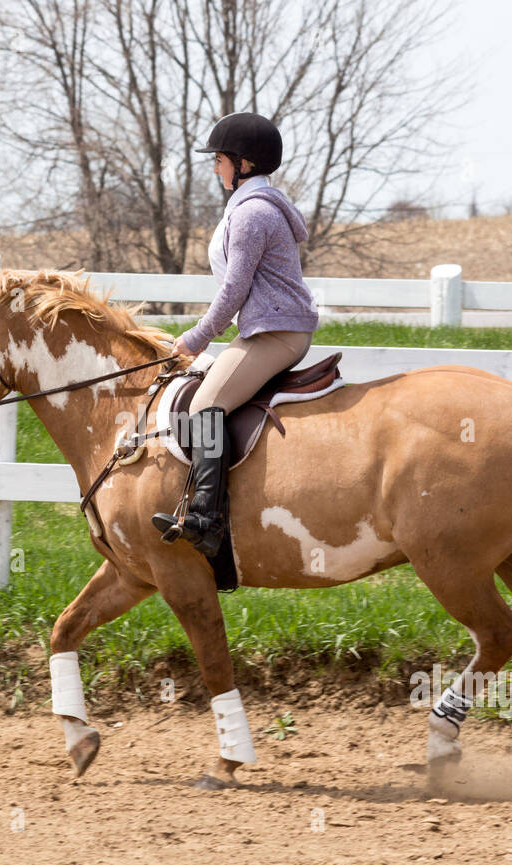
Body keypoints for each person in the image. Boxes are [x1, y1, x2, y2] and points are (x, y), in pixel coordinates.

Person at [151, 112, 319, 557]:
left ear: (243, 163)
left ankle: (206, 518)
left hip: (277, 334)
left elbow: (235, 288)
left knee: (206, 402)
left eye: (220, 160)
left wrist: (197, 337)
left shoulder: (253, 215)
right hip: (268, 330)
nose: (215, 168)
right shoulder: (252, 207)